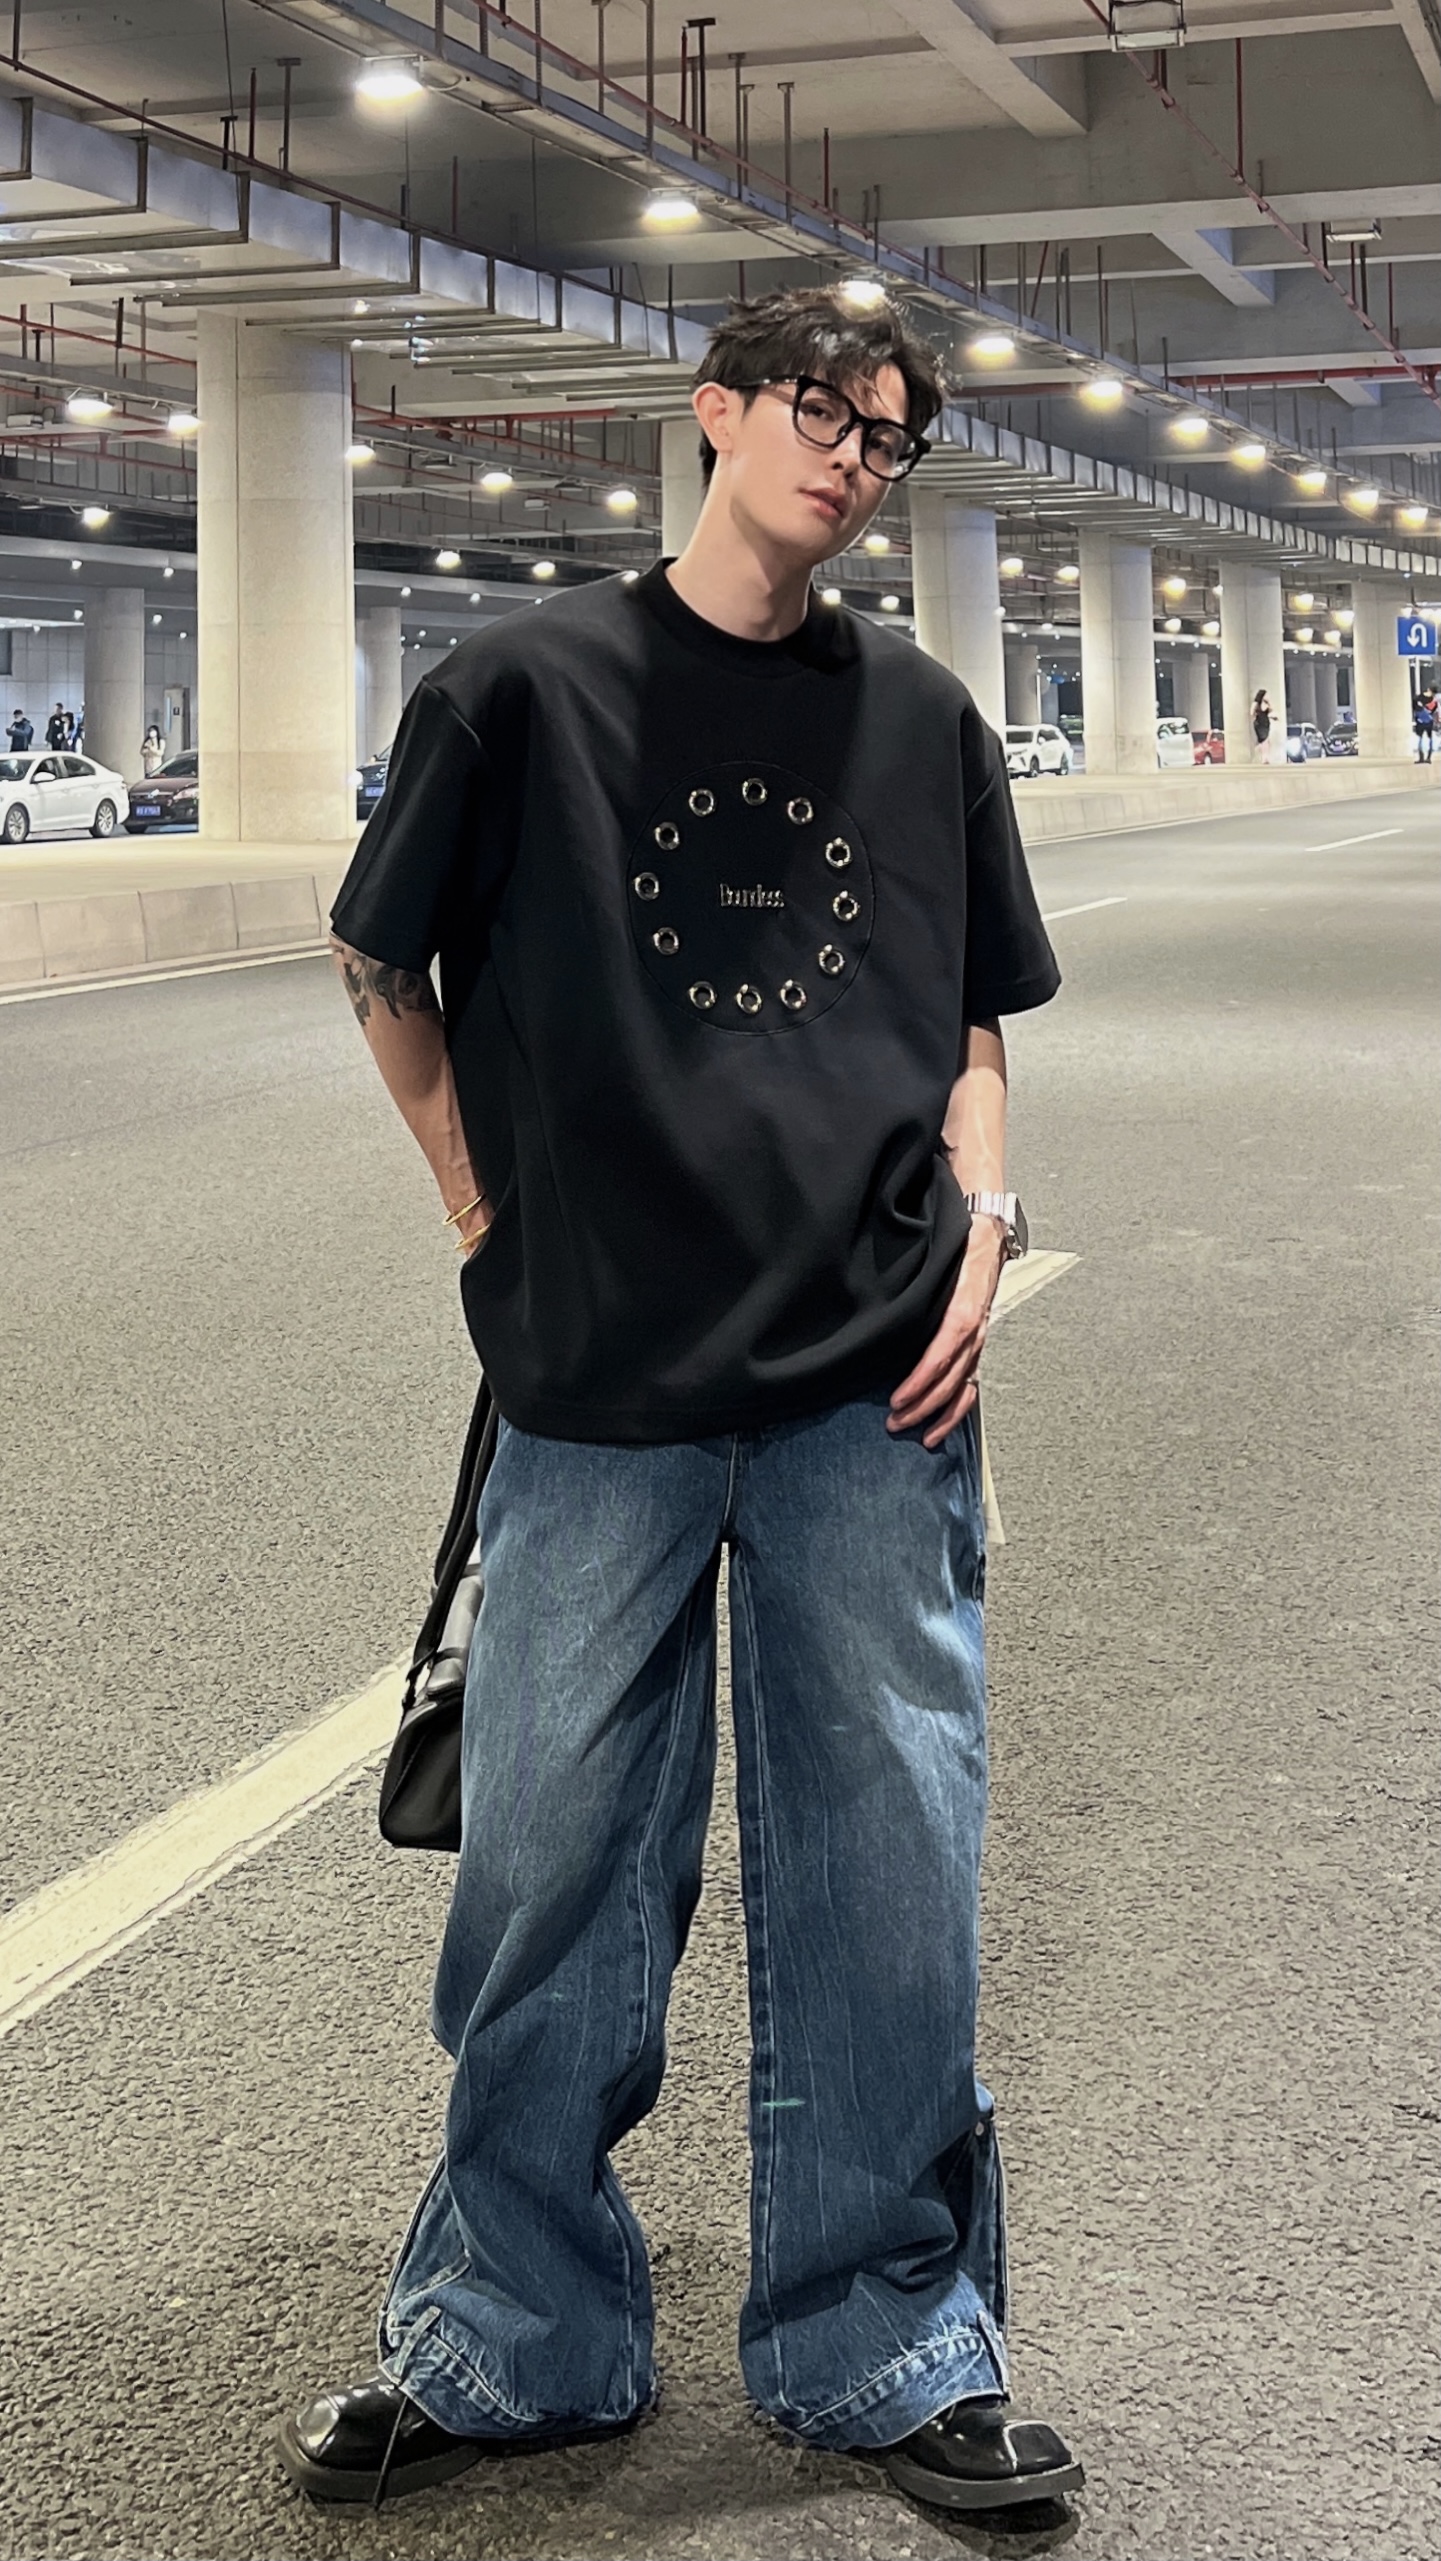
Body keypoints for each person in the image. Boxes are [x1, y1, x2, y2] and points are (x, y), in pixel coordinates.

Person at [275, 287, 1082, 2525]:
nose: (850, 454)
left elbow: (971, 1020)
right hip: (598, 1375)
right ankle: (512, 2325)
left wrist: (990, 1219)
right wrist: (478, 1211)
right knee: (552, 1863)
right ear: (716, 411)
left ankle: (885, 2334)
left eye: (888, 435)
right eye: (818, 407)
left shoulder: (921, 719)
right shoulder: (522, 687)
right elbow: (380, 956)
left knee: (887, 1864)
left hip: (870, 1378)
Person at [1414, 686, 1436, 762]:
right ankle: (1428, 757)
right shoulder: (1433, 700)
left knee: (1420, 738)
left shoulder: (1418, 698)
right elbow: (1433, 711)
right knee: (1429, 738)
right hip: (1428, 721)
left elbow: (1415, 708)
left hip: (1421, 721)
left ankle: (1422, 757)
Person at [1252, 688, 1274, 764]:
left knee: (1265, 741)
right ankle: (1264, 758)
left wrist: (1268, 703)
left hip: (1265, 723)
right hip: (1260, 723)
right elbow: (1252, 712)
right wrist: (1255, 716)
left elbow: (1271, 710)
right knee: (1264, 741)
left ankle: (1264, 757)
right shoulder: (1256, 703)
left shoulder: (1265, 704)